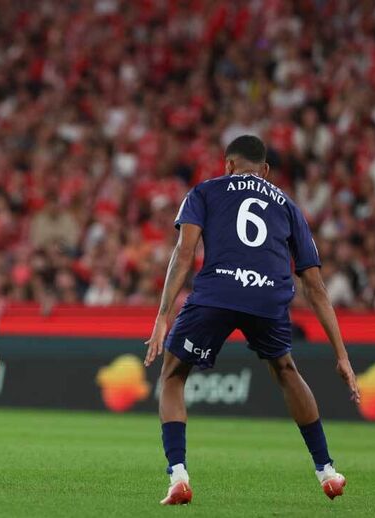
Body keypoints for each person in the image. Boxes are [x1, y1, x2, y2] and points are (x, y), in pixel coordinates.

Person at [144, 135, 361, 505]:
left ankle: (178, 475)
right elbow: (315, 286)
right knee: (286, 370)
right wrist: (342, 355)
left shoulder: (205, 191)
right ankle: (326, 471)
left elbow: (184, 253)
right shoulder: (289, 206)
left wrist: (163, 316)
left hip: (217, 293)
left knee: (173, 374)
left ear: (228, 164)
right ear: (266, 171)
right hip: (268, 295)